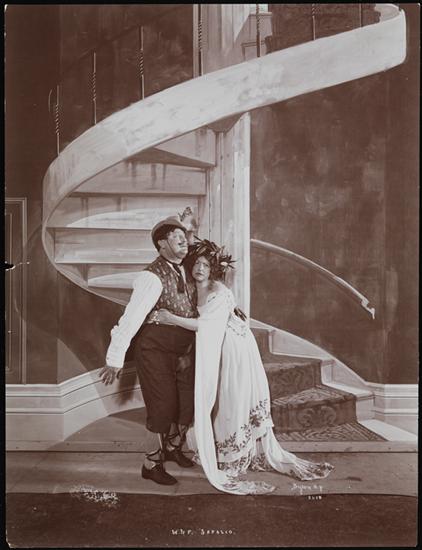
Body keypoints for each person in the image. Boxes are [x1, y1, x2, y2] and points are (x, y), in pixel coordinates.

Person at [152, 238, 334, 495]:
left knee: (230, 397)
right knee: (217, 398)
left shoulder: (218, 291)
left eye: (206, 265)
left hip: (232, 347)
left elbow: (204, 325)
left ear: (214, 269)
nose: (200, 269)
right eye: (197, 264)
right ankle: (216, 447)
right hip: (215, 344)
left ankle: (233, 453)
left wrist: (169, 317)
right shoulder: (192, 287)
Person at [99, 216, 198, 486]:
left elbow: (199, 247)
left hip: (183, 349)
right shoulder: (150, 277)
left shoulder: (187, 266)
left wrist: (188, 225)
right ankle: (151, 463)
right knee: (163, 406)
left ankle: (172, 448)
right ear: (161, 244)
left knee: (186, 403)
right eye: (176, 237)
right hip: (154, 349)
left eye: (184, 236)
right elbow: (130, 318)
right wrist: (114, 358)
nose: (183, 240)